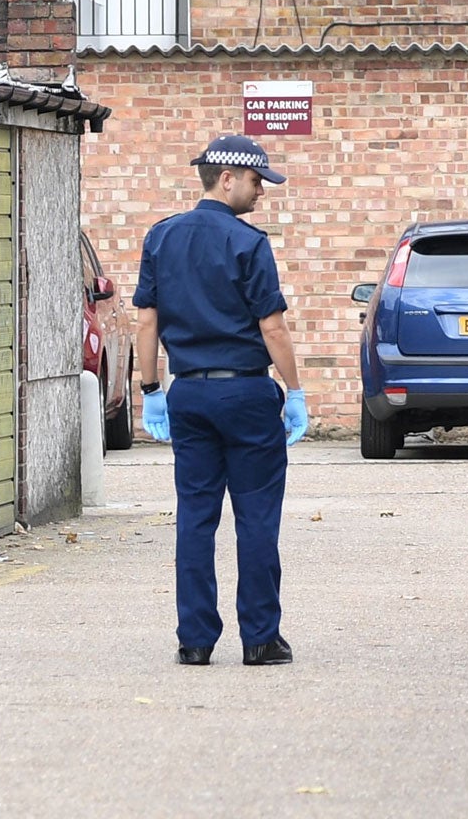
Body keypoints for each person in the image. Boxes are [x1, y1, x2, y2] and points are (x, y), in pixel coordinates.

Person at [133, 135, 309, 668]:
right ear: (226, 178)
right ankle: (260, 638)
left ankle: (195, 640)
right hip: (247, 390)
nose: (261, 193)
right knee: (256, 518)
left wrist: (150, 391)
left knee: (195, 515)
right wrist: (295, 390)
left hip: (188, 392)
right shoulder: (249, 243)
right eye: (257, 181)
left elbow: (146, 320)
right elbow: (272, 327)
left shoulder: (161, 237)